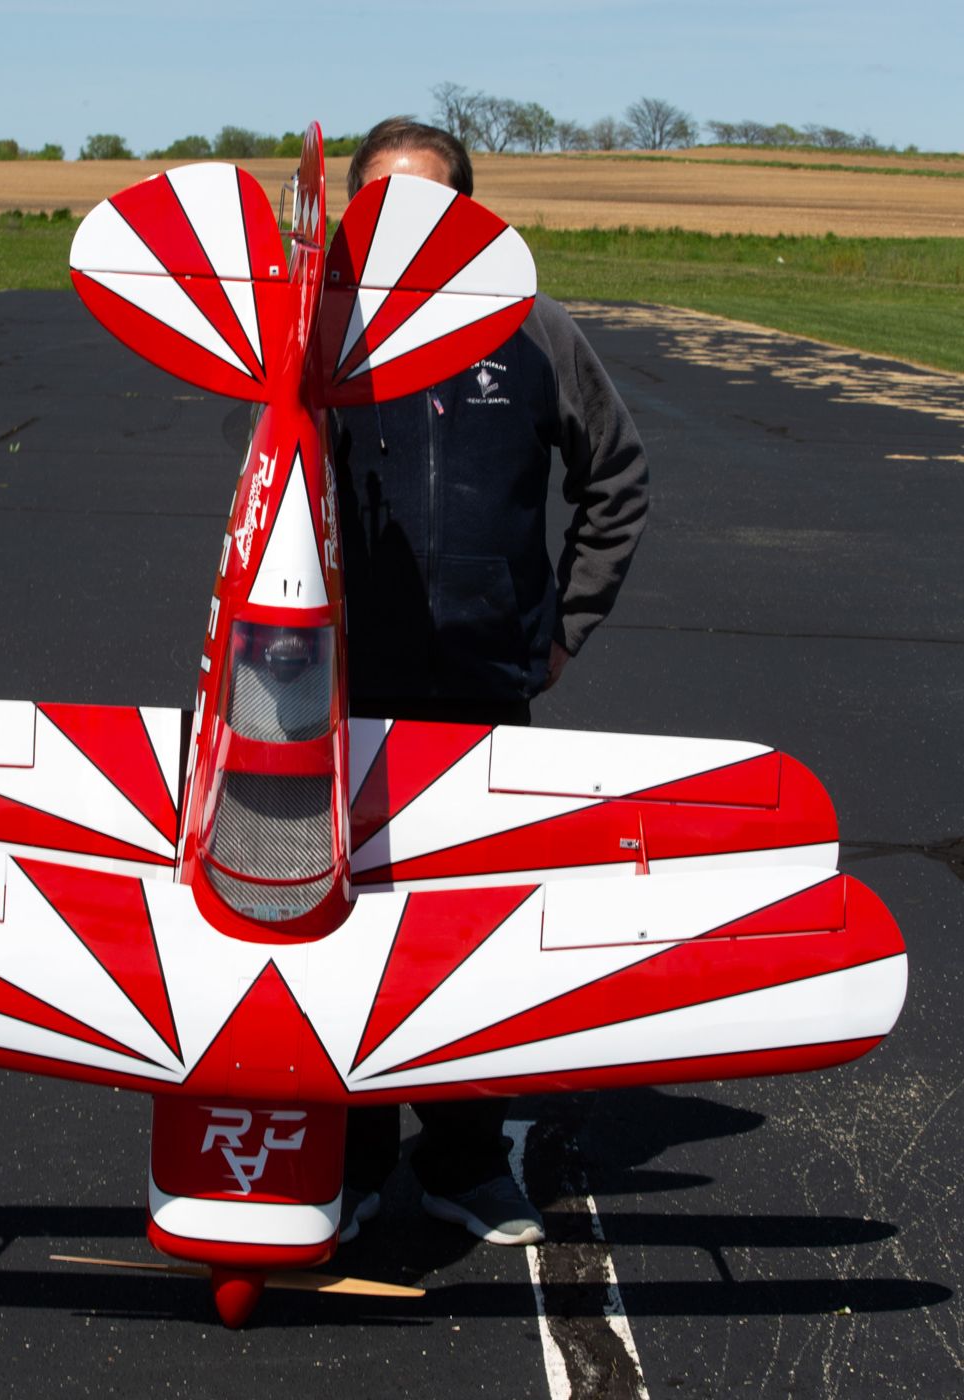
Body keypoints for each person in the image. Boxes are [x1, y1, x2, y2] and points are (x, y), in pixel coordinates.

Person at [334, 118, 650, 1247]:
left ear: (471, 214)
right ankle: (356, 1157)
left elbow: (615, 477)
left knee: (469, 933)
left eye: (433, 205)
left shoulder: (532, 331)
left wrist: (561, 626)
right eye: (381, 206)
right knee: (348, 931)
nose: (407, 228)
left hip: (482, 690)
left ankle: (468, 1159)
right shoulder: (314, 335)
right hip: (343, 695)